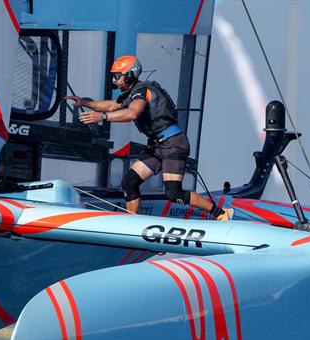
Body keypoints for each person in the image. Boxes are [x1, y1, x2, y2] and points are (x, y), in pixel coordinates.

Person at [66, 56, 232, 220]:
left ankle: (221, 213)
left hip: (173, 144)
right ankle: (131, 223)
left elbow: (133, 113)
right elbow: (110, 105)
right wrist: (83, 102)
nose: (114, 79)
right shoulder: (131, 93)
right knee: (129, 183)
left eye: (117, 75)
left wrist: (102, 117)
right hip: (157, 146)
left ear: (130, 74)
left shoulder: (141, 91)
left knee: (174, 193)